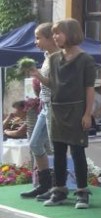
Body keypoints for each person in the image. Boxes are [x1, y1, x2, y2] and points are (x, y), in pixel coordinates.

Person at [29, 19, 96, 209]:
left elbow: (89, 88)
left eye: (59, 33)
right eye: (54, 33)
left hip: (76, 110)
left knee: (77, 152)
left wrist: (87, 114)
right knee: (58, 152)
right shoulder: (53, 58)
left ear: (71, 34)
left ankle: (82, 192)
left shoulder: (85, 60)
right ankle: (59, 190)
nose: (55, 36)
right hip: (56, 110)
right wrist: (37, 75)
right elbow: (52, 84)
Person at [21, 24, 58, 199]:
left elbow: (56, 84)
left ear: (50, 38)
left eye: (38, 38)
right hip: (44, 106)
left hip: (54, 106)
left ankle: (57, 187)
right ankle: (45, 185)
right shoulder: (46, 56)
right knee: (35, 144)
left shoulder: (58, 57)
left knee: (56, 147)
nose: (36, 42)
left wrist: (38, 76)